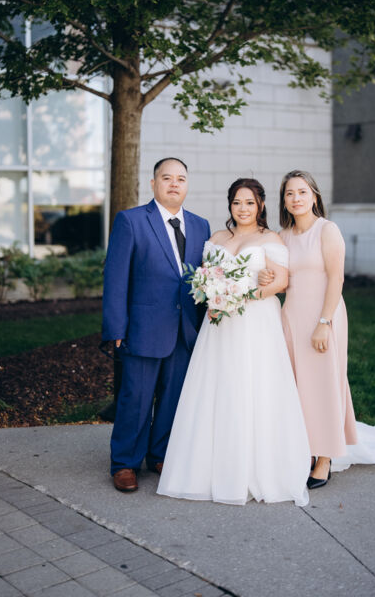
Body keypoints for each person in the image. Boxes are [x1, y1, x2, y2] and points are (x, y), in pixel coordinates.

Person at [259, 169, 375, 489]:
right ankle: (306, 448)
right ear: (284, 200)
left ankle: (324, 457)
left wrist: (324, 323)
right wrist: (268, 278)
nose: (296, 198)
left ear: (314, 196)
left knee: (324, 384)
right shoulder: (284, 235)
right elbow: (283, 279)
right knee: (299, 386)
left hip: (324, 315)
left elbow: (337, 278)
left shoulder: (327, 230)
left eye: (302, 192)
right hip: (292, 317)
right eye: (289, 193)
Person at [157, 178, 312, 506]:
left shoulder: (270, 239)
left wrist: (241, 294)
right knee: (218, 387)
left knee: (252, 387)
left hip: (256, 324)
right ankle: (208, 468)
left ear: (261, 206)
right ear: (230, 205)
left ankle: (255, 467)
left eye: (250, 203)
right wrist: (212, 292)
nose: (243, 209)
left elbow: (281, 282)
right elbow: (204, 277)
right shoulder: (216, 238)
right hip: (219, 325)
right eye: (237, 202)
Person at [102, 157, 210, 492]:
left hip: (185, 329)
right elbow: (115, 278)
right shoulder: (131, 221)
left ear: (187, 185)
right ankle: (125, 462)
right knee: (136, 398)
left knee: (173, 396)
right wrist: (116, 329)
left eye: (181, 178)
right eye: (167, 178)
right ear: (153, 183)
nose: (174, 184)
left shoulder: (201, 226)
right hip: (143, 329)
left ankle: (160, 453)